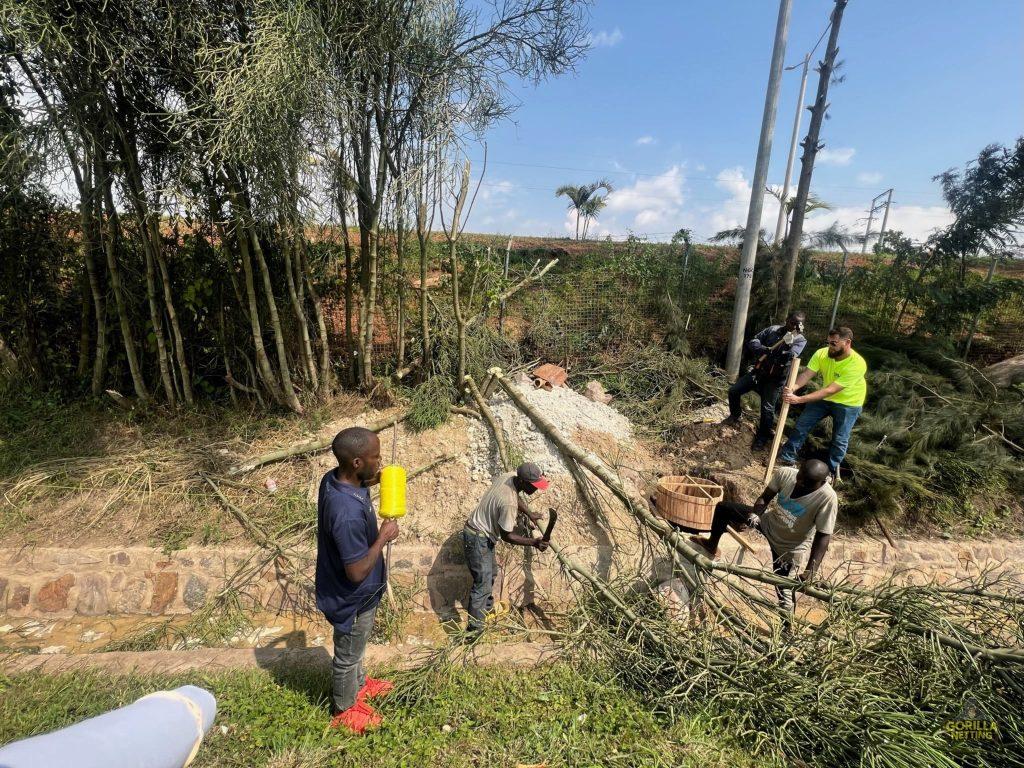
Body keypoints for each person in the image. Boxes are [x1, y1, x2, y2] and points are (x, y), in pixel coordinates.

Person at [316, 426, 398, 734]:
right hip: (351, 595)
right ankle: (345, 708)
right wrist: (383, 537)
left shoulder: (334, 479)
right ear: (357, 463)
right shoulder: (346, 513)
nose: (380, 461)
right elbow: (356, 572)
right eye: (376, 457)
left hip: (362, 592)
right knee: (347, 656)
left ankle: (360, 685)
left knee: (357, 646)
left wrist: (380, 479)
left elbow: (362, 480)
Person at [689, 459, 836, 623]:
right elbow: (765, 498)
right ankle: (711, 545)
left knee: (784, 591)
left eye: (806, 483)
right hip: (768, 523)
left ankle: (787, 629)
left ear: (822, 482)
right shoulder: (786, 474)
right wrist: (756, 514)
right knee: (723, 508)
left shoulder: (827, 498)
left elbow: (823, 536)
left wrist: (810, 572)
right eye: (799, 478)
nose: (800, 483)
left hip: (788, 547)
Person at [463, 462, 551, 635]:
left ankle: (484, 612)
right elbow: (507, 536)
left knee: (490, 574)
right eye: (533, 486)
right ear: (523, 482)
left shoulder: (509, 477)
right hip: (478, 538)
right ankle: (474, 632)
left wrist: (529, 514)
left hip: (480, 534)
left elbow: (515, 496)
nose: (536, 489)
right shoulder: (508, 504)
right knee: (482, 584)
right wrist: (534, 542)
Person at [778, 326, 867, 474]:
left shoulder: (857, 363)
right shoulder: (822, 353)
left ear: (847, 342)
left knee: (839, 439)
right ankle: (787, 457)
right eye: (828, 342)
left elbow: (830, 390)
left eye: (834, 343)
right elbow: (806, 375)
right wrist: (793, 387)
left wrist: (799, 399)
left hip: (849, 403)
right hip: (825, 398)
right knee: (802, 424)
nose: (829, 346)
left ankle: (828, 472)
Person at [721, 312, 807, 450]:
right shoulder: (773, 330)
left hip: (775, 380)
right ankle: (735, 415)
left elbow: (791, 356)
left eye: (798, 325)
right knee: (734, 391)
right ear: (787, 320)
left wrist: (786, 344)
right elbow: (754, 341)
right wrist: (761, 349)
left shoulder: (800, 340)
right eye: (792, 323)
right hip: (758, 372)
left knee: (767, 409)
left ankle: (762, 437)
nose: (794, 327)